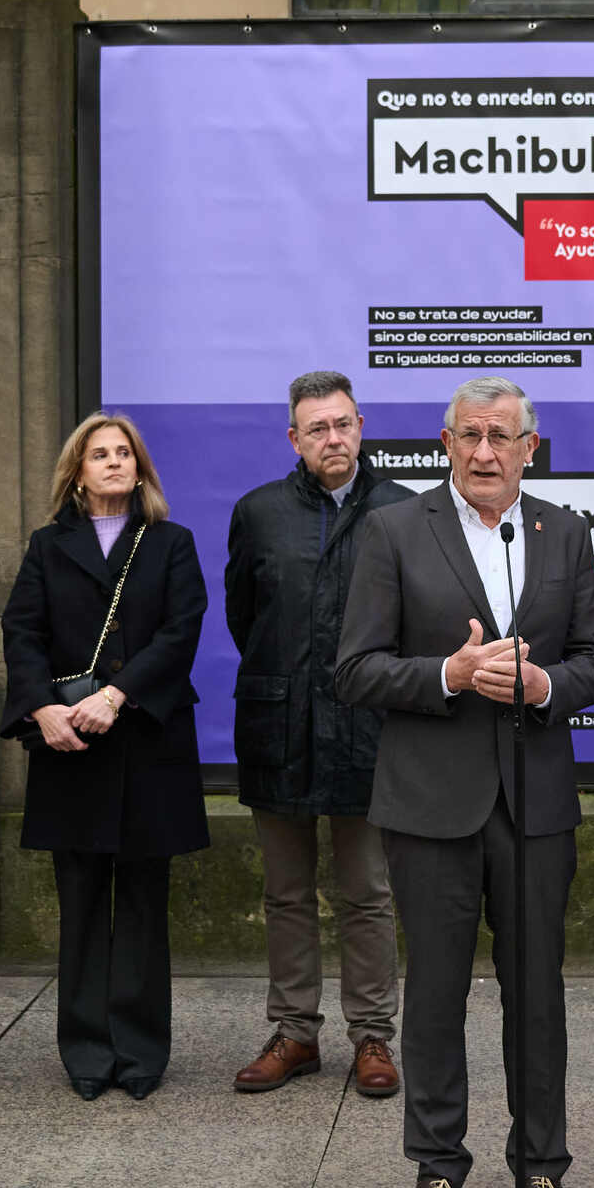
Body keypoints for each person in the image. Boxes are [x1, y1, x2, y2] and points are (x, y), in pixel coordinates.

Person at [334, 376, 594, 1188]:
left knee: (538, 991)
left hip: (535, 805)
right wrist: (449, 675)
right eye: (469, 435)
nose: (485, 452)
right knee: (437, 997)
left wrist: (543, 686)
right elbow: (356, 670)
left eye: (502, 436)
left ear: (532, 448)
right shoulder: (391, 530)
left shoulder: (565, 531)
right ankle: (437, 1170)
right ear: (444, 444)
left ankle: (540, 1166)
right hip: (429, 806)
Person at [3, 412, 208, 1101]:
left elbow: (181, 633)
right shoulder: (46, 544)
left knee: (145, 904)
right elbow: (22, 631)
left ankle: (142, 1049)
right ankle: (87, 1050)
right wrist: (43, 709)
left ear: (141, 467)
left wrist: (117, 696)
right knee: (83, 903)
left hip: (148, 740)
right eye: (100, 454)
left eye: (125, 453)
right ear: (78, 471)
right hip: (70, 747)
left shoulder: (171, 543)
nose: (115, 463)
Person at [222, 370, 411, 1100]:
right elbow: (248, 618)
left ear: (361, 425)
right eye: (317, 428)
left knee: (367, 891)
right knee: (286, 892)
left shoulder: (402, 510)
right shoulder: (259, 512)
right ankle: (295, 1032)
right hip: (280, 723)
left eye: (343, 424)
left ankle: (373, 1036)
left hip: (370, 731)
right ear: (294, 438)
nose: (333, 438)